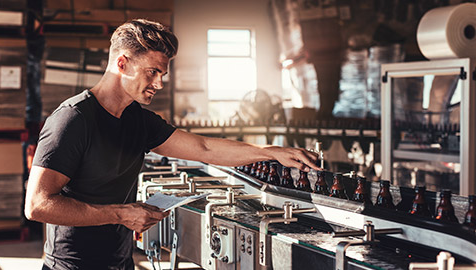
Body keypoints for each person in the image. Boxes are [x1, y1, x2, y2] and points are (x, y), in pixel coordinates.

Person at [24, 19, 320, 270]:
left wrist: (269, 153)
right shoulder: (73, 120)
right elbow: (37, 205)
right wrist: (120, 213)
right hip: (72, 265)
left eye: (163, 74)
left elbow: (204, 149)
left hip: (121, 262)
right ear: (122, 64)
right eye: (152, 72)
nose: (159, 83)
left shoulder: (138, 121)